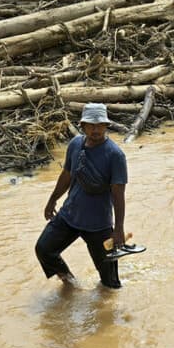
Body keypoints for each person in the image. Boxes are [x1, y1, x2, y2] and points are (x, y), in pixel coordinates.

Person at [35, 103, 129, 289]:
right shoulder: (75, 144)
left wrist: (118, 229)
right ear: (83, 125)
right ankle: (70, 284)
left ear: (106, 125)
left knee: (110, 284)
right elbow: (67, 175)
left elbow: (119, 195)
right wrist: (52, 199)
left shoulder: (115, 155)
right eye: (91, 125)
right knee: (44, 249)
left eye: (100, 125)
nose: (96, 129)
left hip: (98, 224)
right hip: (70, 215)